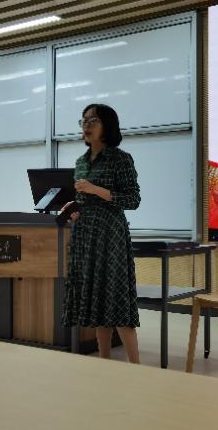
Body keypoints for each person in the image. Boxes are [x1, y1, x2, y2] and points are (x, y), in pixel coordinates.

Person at [61, 103, 141, 363]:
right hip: (86, 234)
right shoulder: (80, 162)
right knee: (97, 300)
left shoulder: (120, 159)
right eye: (83, 120)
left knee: (115, 299)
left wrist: (95, 189)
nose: (87, 125)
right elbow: (82, 198)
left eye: (93, 120)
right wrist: (74, 209)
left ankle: (137, 367)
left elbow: (132, 200)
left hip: (110, 235)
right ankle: (104, 363)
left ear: (108, 125)